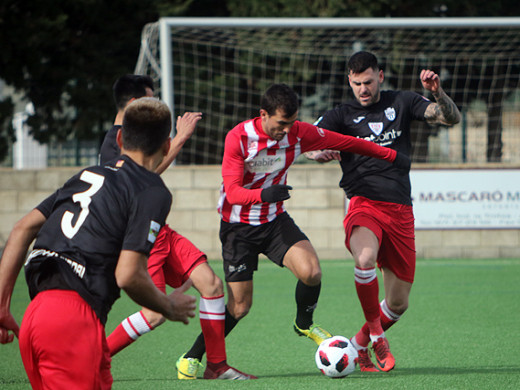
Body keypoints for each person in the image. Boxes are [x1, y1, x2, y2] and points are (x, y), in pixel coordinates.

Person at [177, 83, 412, 375]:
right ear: (263, 114)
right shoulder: (238, 138)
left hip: (274, 221)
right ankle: (192, 356)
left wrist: (390, 156)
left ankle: (303, 323)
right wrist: (264, 194)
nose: (287, 130)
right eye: (280, 124)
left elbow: (348, 142)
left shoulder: (299, 132)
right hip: (238, 228)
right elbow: (234, 192)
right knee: (240, 306)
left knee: (312, 272)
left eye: (291, 123)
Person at [0, 97, 197, 389]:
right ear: (167, 146)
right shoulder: (152, 190)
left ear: (119, 138)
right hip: (72, 322)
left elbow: (21, 229)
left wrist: (3, 305)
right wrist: (168, 306)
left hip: (35, 316)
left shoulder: (86, 175)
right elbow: (128, 274)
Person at [308, 51, 461, 372]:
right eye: (356, 83)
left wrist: (438, 93)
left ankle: (359, 345)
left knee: (398, 303)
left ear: (379, 75)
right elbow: (309, 141)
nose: (362, 89)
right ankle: (377, 335)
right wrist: (319, 152)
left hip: (401, 210)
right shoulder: (341, 114)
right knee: (363, 259)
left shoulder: (403, 101)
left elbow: (450, 118)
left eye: (367, 81)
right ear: (349, 81)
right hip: (363, 202)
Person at [100, 74, 254, 380]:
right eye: (152, 99)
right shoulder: (115, 141)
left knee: (211, 284)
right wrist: (181, 138)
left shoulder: (135, 135)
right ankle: (96, 356)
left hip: (162, 230)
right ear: (134, 104)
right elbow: (139, 177)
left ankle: (216, 366)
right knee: (154, 313)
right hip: (143, 237)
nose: (158, 105)